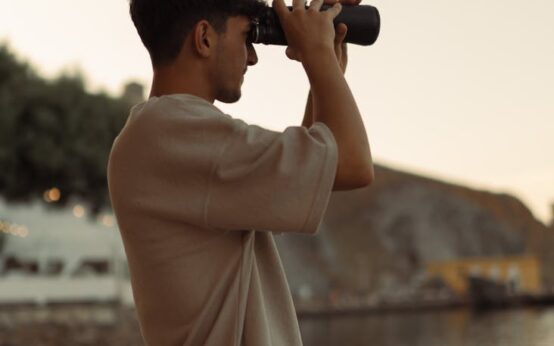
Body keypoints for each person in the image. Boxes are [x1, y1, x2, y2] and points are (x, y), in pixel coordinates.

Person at [107, 0, 374, 345]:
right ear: (204, 38)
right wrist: (317, 56)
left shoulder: (162, 135)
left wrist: (326, 63)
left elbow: (305, 168)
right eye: (247, 36)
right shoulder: (174, 131)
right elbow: (353, 165)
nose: (253, 57)